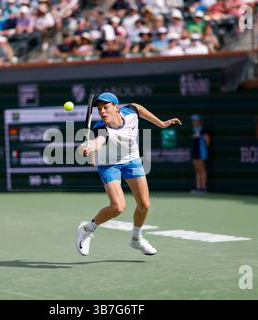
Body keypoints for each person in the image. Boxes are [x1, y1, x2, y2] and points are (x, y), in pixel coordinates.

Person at [75, 92, 182, 256]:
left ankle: (136, 239)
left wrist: (161, 123)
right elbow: (99, 141)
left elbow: (139, 108)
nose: (102, 112)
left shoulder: (130, 112)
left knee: (144, 204)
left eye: (106, 107)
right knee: (118, 207)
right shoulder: (101, 128)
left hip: (131, 159)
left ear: (116, 108)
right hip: (110, 164)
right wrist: (89, 147)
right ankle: (87, 230)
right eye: (99, 109)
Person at [190, 114, 210, 194]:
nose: (194, 122)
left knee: (202, 169)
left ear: (199, 121)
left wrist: (204, 148)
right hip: (195, 152)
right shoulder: (193, 130)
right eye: (193, 120)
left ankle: (203, 187)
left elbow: (207, 140)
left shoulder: (203, 130)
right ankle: (198, 187)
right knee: (197, 170)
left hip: (201, 152)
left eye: (195, 120)